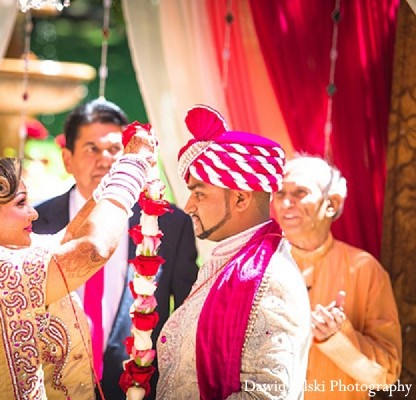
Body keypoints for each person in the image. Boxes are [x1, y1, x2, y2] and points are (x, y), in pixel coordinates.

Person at [0, 126, 157, 399]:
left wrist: (113, 176)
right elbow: (92, 250)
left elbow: (67, 237)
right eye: (21, 203)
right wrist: (133, 166)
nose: (34, 214)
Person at [33, 98, 198, 399]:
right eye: (92, 149)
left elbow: (187, 319)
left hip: (136, 388)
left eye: (115, 150)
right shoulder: (35, 222)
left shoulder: (170, 225)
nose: (105, 160)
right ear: (67, 159)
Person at [157, 104, 312, 399]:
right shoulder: (231, 263)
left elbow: (268, 395)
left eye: (199, 192)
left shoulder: (270, 281)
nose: (189, 206)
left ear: (241, 198)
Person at [271, 155, 402, 400]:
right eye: (279, 193)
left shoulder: (365, 270)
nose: (286, 202)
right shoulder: (261, 266)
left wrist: (337, 338)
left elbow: (386, 375)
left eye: (300, 192)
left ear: (331, 204)